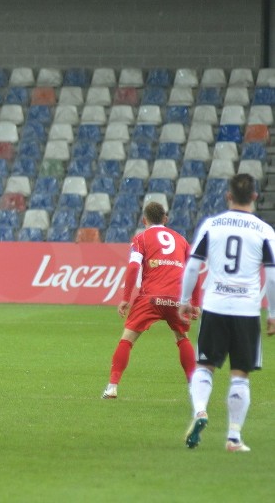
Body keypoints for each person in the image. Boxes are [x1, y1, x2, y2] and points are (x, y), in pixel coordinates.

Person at [179, 173, 275, 453]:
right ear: (255, 197)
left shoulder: (212, 225)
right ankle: (233, 437)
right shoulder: (264, 230)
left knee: (204, 367)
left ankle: (200, 411)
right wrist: (273, 313)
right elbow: (271, 277)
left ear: (228, 196)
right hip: (245, 310)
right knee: (239, 375)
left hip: (215, 307)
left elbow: (193, 267)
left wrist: (185, 299)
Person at [102, 201, 200, 399]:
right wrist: (195, 302)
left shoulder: (141, 238)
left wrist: (125, 298)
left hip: (150, 297)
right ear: (166, 219)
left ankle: (112, 387)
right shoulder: (181, 240)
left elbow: (132, 267)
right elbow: (194, 270)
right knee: (182, 339)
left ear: (143, 219)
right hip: (177, 299)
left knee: (127, 340)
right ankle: (194, 389)